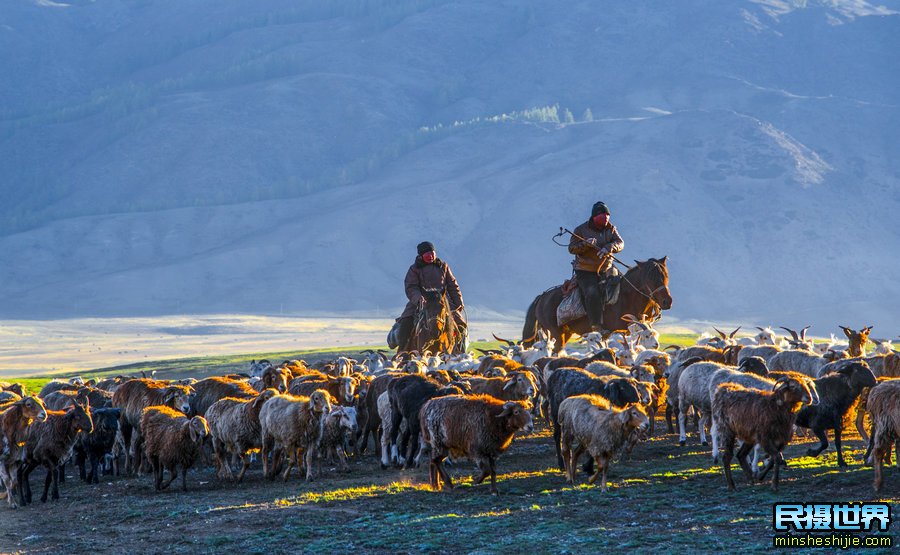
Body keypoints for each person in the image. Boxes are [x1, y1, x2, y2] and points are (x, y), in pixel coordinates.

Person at [392, 241, 465, 351]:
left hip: (443, 301)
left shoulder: (443, 266)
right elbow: (411, 287)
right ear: (421, 256)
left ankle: (461, 350)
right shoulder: (414, 269)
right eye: (427, 254)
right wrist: (418, 298)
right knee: (405, 324)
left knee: (460, 324)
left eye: (432, 253)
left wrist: (458, 302)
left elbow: (453, 285)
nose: (431, 256)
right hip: (421, 302)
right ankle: (403, 352)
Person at [568, 201, 624, 333]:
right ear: (594, 217)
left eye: (607, 216)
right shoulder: (580, 230)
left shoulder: (611, 229)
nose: (606, 219)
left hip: (606, 268)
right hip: (586, 270)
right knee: (592, 293)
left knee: (624, 285)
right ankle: (596, 327)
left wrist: (609, 247)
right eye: (603, 216)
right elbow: (571, 249)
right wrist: (585, 244)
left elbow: (620, 243)